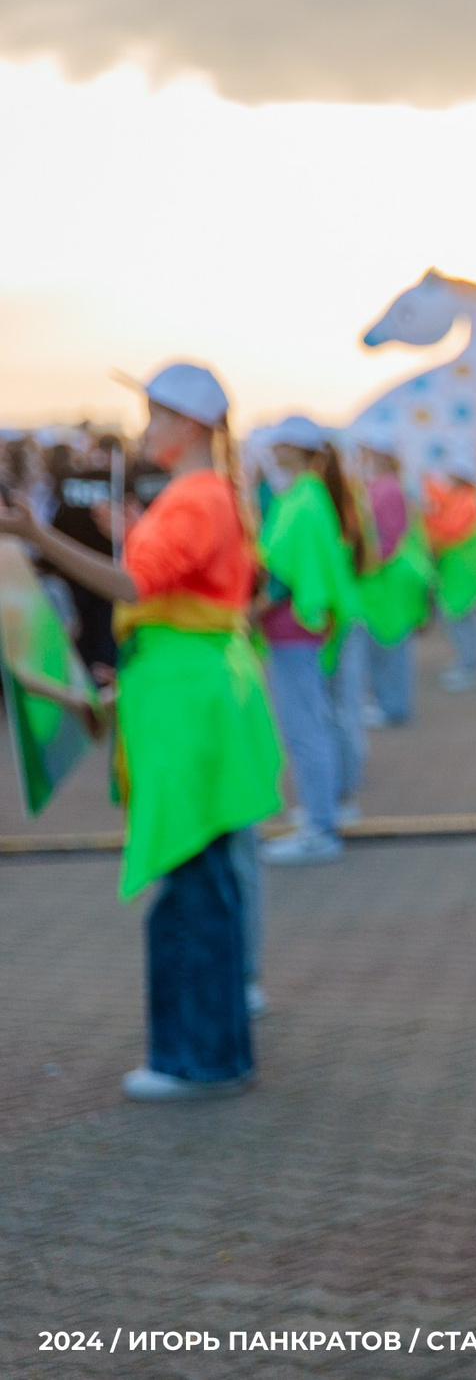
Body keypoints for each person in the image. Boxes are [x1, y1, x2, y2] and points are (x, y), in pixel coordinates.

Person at [0, 363, 283, 1100]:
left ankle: (198, 1058)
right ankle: (209, 1051)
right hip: (197, 693)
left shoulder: (196, 494)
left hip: (187, 702)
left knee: (193, 884)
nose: (145, 428)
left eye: (156, 415)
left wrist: (35, 535)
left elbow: (133, 586)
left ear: (189, 424)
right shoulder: (210, 492)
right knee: (206, 878)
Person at [257, 418, 371, 866]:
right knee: (318, 723)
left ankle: (319, 828)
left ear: (293, 448)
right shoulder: (310, 495)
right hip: (304, 629)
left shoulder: (301, 500)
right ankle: (326, 813)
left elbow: (284, 575)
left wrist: (249, 611)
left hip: (293, 630)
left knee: (305, 729)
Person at [351, 434, 429, 728]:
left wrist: (362, 563)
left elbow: (390, 538)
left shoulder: (389, 488)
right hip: (383, 582)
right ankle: (388, 701)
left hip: (389, 582)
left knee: (392, 647)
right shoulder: (384, 485)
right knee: (385, 645)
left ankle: (393, 705)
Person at [424, 472, 476, 693]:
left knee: (464, 623)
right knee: (462, 623)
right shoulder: (463, 496)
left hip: (464, 574)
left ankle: (470, 668)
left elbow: (450, 529)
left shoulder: (467, 499)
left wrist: (427, 519)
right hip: (459, 574)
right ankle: (467, 663)